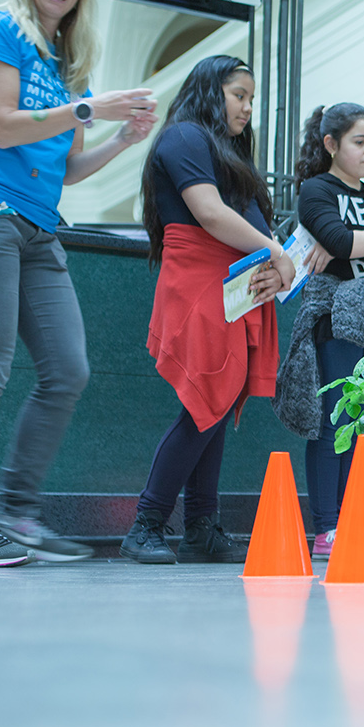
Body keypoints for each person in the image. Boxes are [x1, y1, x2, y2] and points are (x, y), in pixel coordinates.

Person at [0, 0, 157, 568]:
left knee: (69, 369)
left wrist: (120, 141)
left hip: (35, 225)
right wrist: (91, 107)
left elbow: (65, 169)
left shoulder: (59, 64)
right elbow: (2, 126)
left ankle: (15, 514)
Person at [119, 54, 295, 564]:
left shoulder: (225, 152)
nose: (246, 107)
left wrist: (275, 261)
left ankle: (199, 527)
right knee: (208, 398)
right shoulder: (184, 137)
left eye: (252, 99)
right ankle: (147, 524)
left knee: (213, 404)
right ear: (209, 90)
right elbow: (210, 214)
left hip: (238, 284)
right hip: (201, 278)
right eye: (239, 95)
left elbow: (248, 226)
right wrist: (277, 254)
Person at [274, 103, 364, 558]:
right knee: (334, 418)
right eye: (360, 142)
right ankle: (327, 525)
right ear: (332, 144)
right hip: (334, 317)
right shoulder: (317, 190)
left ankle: (356, 517)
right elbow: (344, 243)